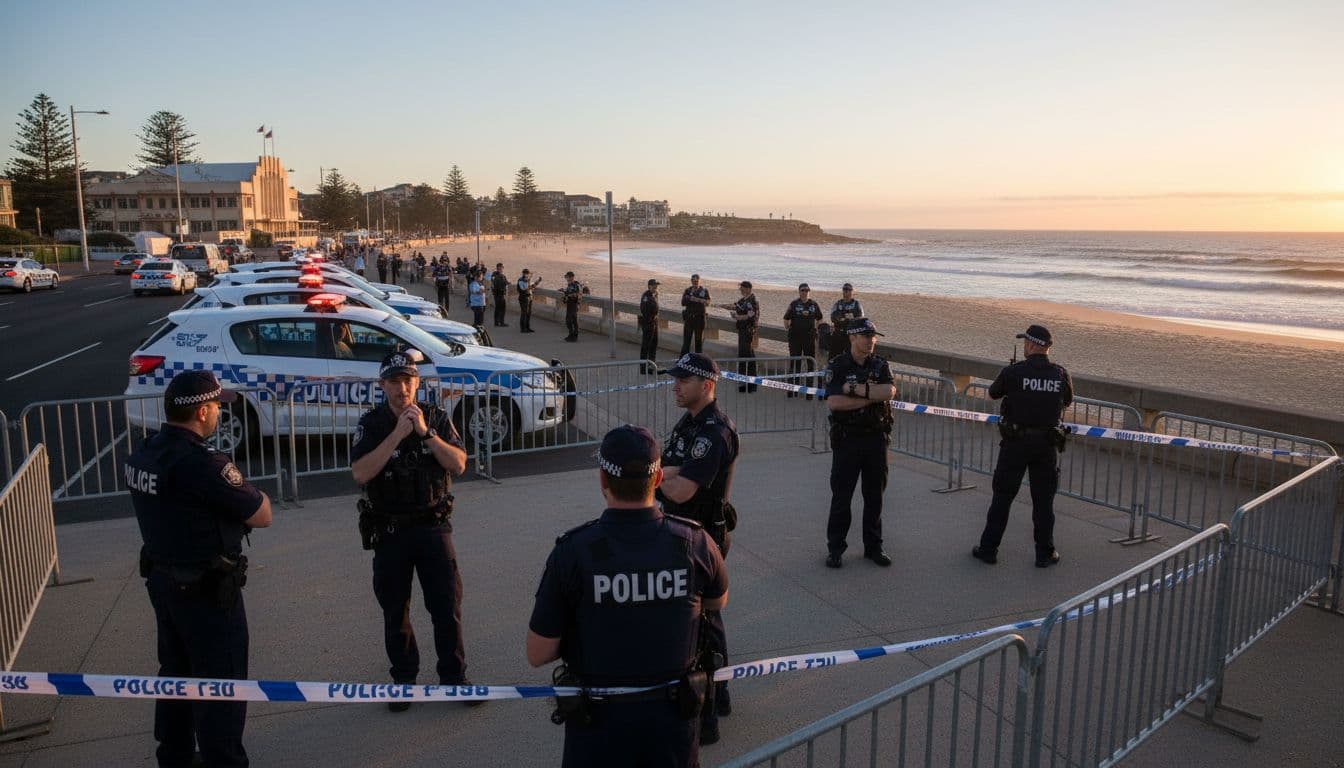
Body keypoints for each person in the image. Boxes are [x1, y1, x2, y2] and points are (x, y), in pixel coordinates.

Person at [527, 425, 728, 768]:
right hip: (672, 730)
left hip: (598, 729)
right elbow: (716, 602)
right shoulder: (695, 543)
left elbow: (538, 652)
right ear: (658, 477)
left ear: (603, 479)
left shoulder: (574, 552)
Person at [125, 371, 273, 767]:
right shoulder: (203, 464)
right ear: (203, 411)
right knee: (220, 684)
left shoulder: (145, 452)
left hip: (163, 583)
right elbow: (262, 513)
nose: (221, 414)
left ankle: (173, 755)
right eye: (218, 407)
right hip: (207, 593)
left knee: (175, 673)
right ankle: (222, 760)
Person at [350, 350, 481, 711]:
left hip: (434, 527)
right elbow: (360, 473)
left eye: (408, 380)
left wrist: (425, 434)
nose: (402, 388)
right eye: (394, 381)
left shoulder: (435, 416)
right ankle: (404, 680)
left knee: (446, 606)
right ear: (383, 386)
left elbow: (458, 464)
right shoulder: (373, 423)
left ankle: (455, 678)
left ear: (417, 383)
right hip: (391, 531)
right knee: (396, 610)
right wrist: (396, 435)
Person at [656, 352, 740, 745]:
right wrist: (663, 473)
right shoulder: (689, 422)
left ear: (706, 385)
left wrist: (649, 477)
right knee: (698, 621)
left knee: (703, 625)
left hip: (702, 535)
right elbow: (668, 467)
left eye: (683, 380)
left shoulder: (712, 432)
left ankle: (709, 716)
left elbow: (679, 487)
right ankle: (719, 694)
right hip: (681, 529)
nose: (674, 385)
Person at [973, 325, 1074, 568]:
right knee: (1043, 503)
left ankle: (988, 549)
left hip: (1015, 444)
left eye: (1026, 342)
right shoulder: (1060, 373)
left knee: (1003, 498)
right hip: (1046, 445)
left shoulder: (1014, 372)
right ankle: (1045, 553)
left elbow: (993, 394)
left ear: (1030, 344)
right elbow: (1068, 401)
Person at [824, 318, 896, 569]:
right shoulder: (838, 365)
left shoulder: (880, 364)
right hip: (848, 440)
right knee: (842, 497)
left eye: (873, 336)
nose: (871, 340)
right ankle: (835, 548)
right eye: (867, 336)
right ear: (853, 337)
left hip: (876, 439)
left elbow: (888, 392)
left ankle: (873, 547)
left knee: (875, 497)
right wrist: (870, 397)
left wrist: (855, 390)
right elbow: (835, 402)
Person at [783, 283, 822, 398]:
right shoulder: (794, 304)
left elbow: (820, 318)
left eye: (807, 290)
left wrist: (816, 328)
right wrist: (789, 327)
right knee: (795, 363)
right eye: (803, 290)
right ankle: (792, 390)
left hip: (809, 339)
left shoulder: (814, 304)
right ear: (799, 291)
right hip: (795, 338)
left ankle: (809, 392)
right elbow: (786, 319)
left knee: (810, 364)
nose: (805, 292)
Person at [722, 281, 759, 393]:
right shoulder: (742, 300)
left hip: (748, 331)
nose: (741, 290)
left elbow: (751, 316)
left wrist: (738, 317)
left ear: (748, 289)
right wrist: (724, 306)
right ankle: (743, 384)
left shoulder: (753, 301)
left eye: (742, 288)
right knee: (743, 356)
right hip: (741, 331)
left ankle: (751, 385)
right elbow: (735, 306)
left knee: (748, 357)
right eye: (740, 288)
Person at [829, 283, 863, 359]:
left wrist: (848, 319)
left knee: (851, 356)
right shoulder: (838, 304)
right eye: (845, 289)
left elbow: (860, 319)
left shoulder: (857, 304)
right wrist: (842, 319)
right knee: (834, 357)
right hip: (839, 333)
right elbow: (833, 317)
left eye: (849, 290)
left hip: (852, 335)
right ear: (842, 291)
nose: (846, 291)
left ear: (852, 291)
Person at [679, 275, 710, 355]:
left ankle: (698, 361)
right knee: (686, 342)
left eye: (696, 281)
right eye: (693, 281)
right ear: (691, 281)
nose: (695, 282)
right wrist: (689, 298)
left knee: (698, 342)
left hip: (699, 319)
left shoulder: (704, 290)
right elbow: (682, 303)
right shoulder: (687, 290)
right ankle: (683, 360)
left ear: (699, 281)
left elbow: (708, 302)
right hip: (689, 319)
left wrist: (698, 300)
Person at [638, 278, 661, 371]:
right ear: (649, 286)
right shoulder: (646, 296)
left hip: (654, 322)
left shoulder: (654, 295)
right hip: (648, 323)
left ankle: (652, 364)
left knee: (654, 343)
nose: (656, 287)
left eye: (657, 285)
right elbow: (644, 310)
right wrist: (650, 318)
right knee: (646, 345)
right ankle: (643, 367)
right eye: (654, 285)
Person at [516, 268, 541, 333]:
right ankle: (523, 329)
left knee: (528, 314)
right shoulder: (521, 280)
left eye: (528, 274)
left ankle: (527, 327)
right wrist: (529, 284)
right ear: (523, 274)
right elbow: (524, 290)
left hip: (529, 298)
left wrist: (538, 281)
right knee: (524, 313)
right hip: (523, 298)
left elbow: (533, 286)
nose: (528, 275)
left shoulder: (528, 280)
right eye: (527, 274)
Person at [562, 270, 583, 342]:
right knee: (571, 320)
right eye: (566, 277)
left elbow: (578, 295)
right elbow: (567, 294)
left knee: (571, 320)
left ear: (571, 277)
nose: (566, 279)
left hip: (574, 304)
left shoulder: (576, 285)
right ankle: (571, 335)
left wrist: (577, 304)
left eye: (567, 277)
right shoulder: (569, 285)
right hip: (570, 304)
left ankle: (574, 336)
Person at [490, 262, 510, 327]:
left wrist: (507, 283)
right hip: (498, 294)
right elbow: (495, 284)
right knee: (500, 308)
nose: (501, 269)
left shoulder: (502, 276)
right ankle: (500, 322)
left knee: (499, 308)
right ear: (498, 268)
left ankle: (498, 322)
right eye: (501, 268)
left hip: (500, 294)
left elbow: (506, 282)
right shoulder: (496, 275)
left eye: (502, 268)